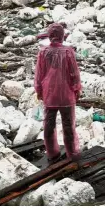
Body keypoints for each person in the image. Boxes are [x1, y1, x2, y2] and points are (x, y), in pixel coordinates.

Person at [34, 23, 82, 165]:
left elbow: (39, 74)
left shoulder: (43, 52)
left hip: (50, 95)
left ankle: (52, 154)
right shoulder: (68, 51)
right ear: (62, 36)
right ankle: (72, 154)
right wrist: (77, 88)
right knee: (68, 126)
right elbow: (74, 73)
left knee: (49, 126)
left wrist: (38, 90)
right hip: (66, 95)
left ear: (49, 36)